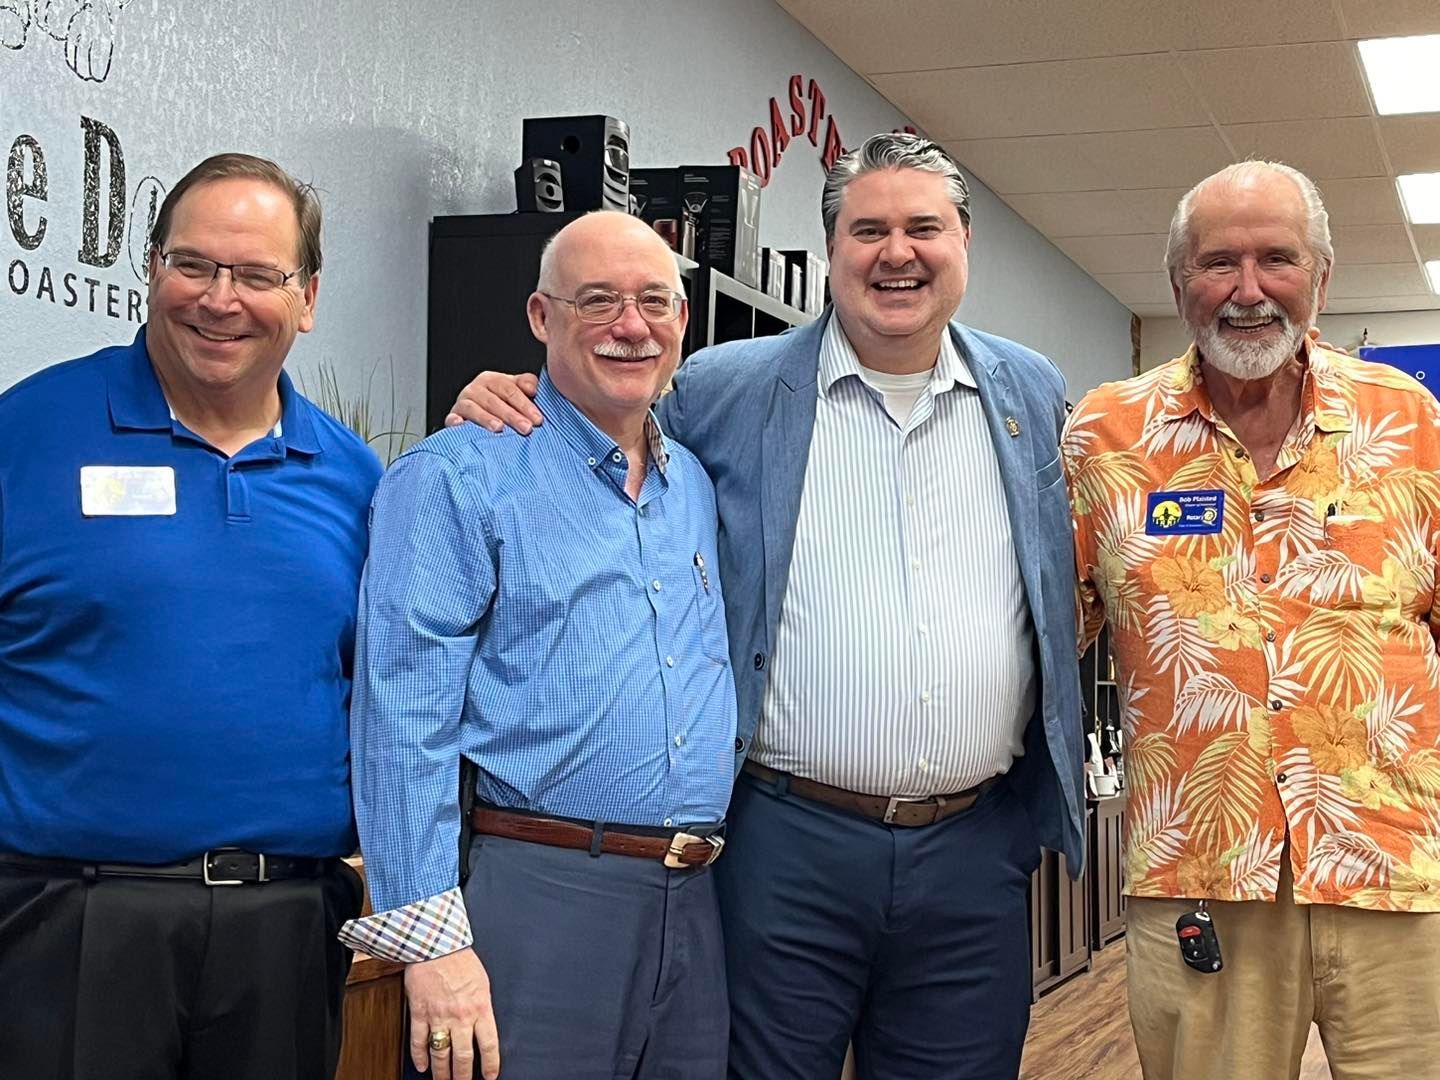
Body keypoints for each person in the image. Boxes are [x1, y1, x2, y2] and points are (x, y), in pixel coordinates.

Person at [448, 133, 1086, 1080]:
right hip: (784, 846)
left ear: (964, 246)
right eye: (867, 230)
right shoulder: (725, 388)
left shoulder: (1029, 391)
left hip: (974, 848)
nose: (896, 253)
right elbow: (606, 430)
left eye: (924, 228)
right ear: (831, 254)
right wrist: (505, 394)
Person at [0, 153, 381, 1080]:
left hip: (288, 931)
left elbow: (388, 695)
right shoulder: (27, 433)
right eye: (194, 265)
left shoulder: (357, 480)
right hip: (72, 922)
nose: (221, 299)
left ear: (308, 296)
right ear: (152, 268)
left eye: (257, 275)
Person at [340, 211, 736, 1080]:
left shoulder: (693, 485)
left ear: (684, 317)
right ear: (538, 316)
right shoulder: (458, 474)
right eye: (597, 301)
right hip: (536, 894)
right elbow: (403, 714)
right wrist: (429, 942)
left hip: (695, 902)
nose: (632, 326)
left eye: (654, 301)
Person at [1066, 159, 1440, 1080]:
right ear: (1177, 282)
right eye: (1216, 262)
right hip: (1199, 872)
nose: (1246, 290)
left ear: (1321, 275)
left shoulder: (1411, 422)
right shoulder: (1105, 436)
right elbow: (1045, 634)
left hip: (1392, 867)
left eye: (1277, 259)